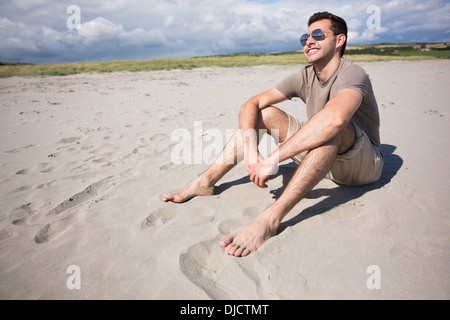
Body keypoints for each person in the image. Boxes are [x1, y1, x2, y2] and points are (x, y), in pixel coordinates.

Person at [163, 12, 383, 257]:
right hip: (319, 157)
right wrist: (251, 149)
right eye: (305, 37)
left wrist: (273, 159)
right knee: (264, 113)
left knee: (333, 129)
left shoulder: (353, 73)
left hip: (362, 166)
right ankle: (205, 182)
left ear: (339, 40)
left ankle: (271, 218)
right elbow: (252, 103)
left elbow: (335, 120)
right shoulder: (305, 75)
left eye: (318, 35)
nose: (309, 41)